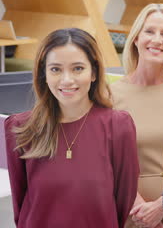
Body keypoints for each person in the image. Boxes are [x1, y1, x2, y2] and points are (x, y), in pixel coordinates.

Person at [4, 28, 139, 228]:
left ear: (93, 73)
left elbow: (123, 201)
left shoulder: (118, 126)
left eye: (77, 68)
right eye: (56, 69)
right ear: (44, 75)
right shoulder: (20, 128)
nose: (67, 80)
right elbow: (21, 206)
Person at [111, 3, 163, 228]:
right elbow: (104, 162)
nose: (157, 40)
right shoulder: (109, 96)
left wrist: (162, 206)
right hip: (128, 214)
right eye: (149, 31)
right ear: (136, 38)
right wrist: (139, 210)